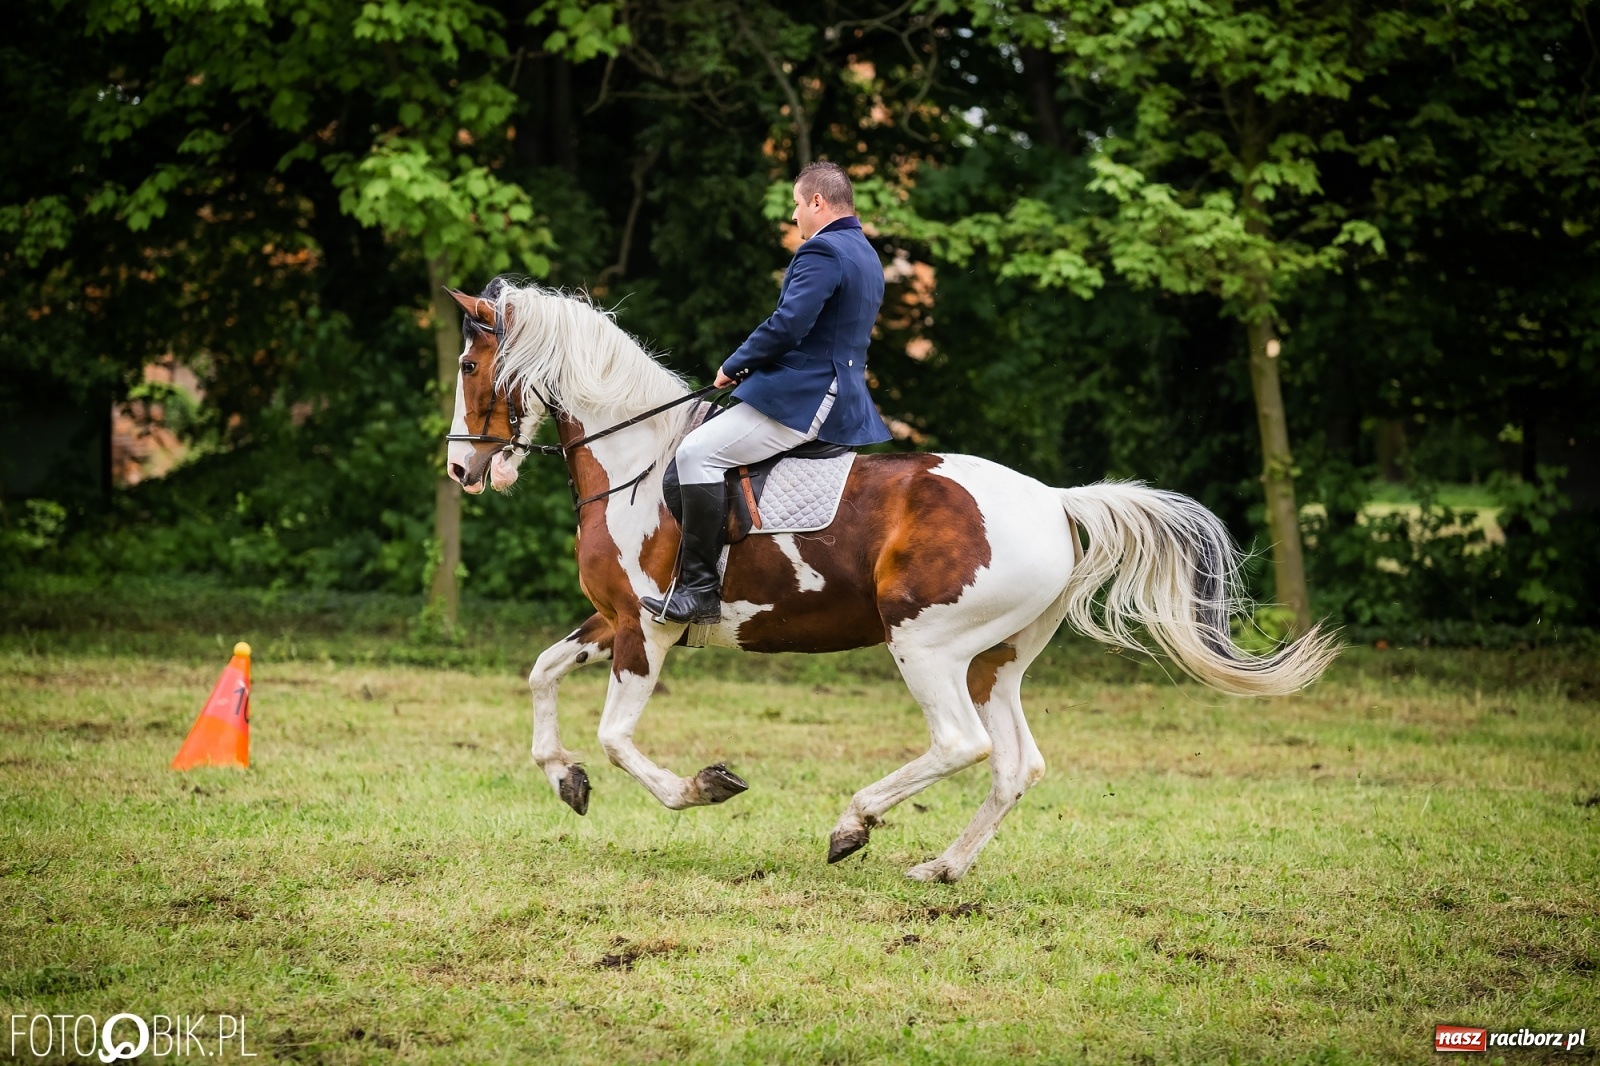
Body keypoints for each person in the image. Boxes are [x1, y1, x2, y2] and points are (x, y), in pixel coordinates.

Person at [643, 161, 890, 625]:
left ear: (818, 201)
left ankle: (699, 591)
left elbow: (789, 324)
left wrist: (735, 364)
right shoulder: (864, 253)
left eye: (797, 205)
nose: (795, 216)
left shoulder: (823, 251)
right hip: (841, 394)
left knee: (695, 453)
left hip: (806, 396)